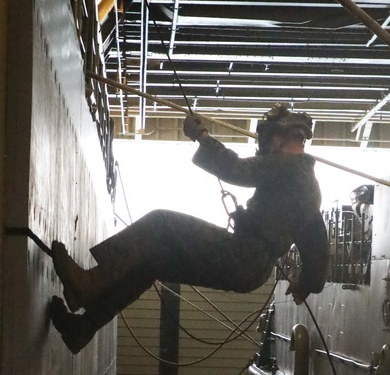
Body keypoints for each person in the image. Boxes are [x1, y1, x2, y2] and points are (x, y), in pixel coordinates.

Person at [49, 104, 330, 353]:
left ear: (282, 136)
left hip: (243, 255)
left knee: (162, 222)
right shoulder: (311, 188)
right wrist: (305, 284)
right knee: (154, 261)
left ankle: (90, 284)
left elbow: (237, 169)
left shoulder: (289, 166)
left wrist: (201, 136)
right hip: (253, 268)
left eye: (269, 138)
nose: (265, 145)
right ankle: (83, 328)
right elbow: (318, 248)